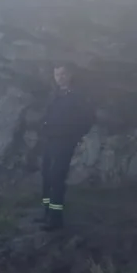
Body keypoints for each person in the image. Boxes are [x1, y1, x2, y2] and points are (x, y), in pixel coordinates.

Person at [40, 65, 94, 231]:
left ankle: (56, 220)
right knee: (46, 175)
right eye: (57, 74)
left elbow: (87, 118)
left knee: (57, 177)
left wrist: (75, 137)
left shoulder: (77, 96)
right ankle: (46, 214)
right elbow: (47, 115)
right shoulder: (54, 94)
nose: (60, 77)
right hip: (50, 140)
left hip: (64, 142)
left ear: (70, 75)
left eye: (63, 74)